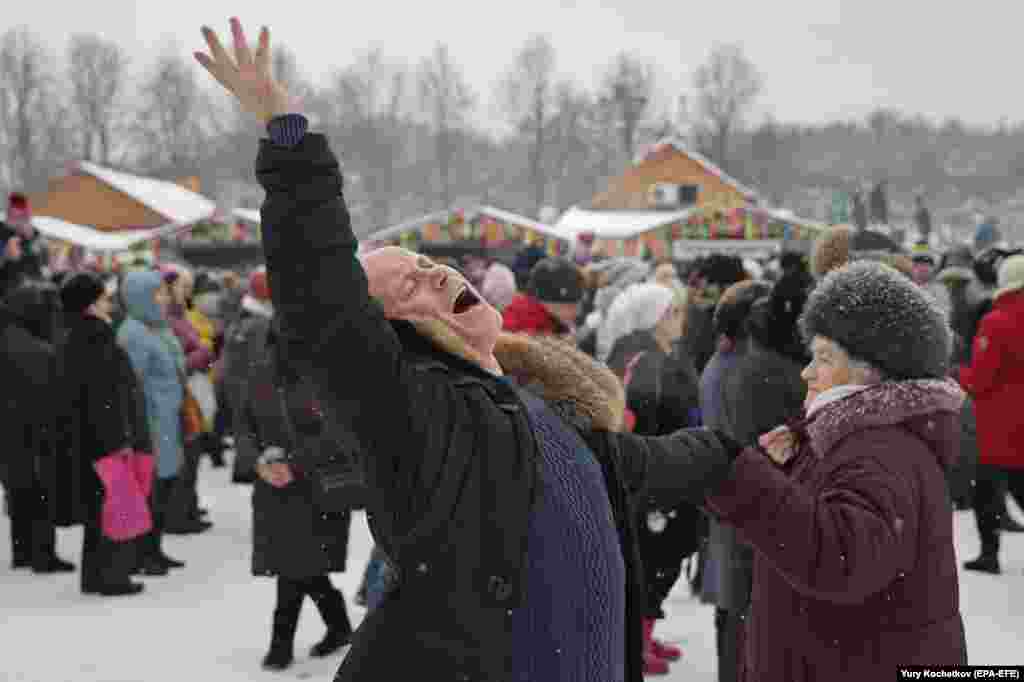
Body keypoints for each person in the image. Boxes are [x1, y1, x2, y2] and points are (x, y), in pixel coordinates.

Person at [194, 20, 739, 681]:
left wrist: (737, 453)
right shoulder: (414, 408)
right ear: (394, 330)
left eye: (428, 264)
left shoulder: (531, 404)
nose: (434, 274)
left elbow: (633, 463)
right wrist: (288, 137)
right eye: (409, 286)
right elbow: (322, 301)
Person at [705, 261, 967, 679]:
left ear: (872, 369)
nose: (807, 372)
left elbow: (842, 556)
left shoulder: (878, 449)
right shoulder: (849, 437)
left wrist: (741, 481)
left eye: (824, 358)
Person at [245, 317, 354, 670]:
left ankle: (282, 644)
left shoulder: (328, 374)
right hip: (274, 483)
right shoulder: (261, 372)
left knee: (296, 564)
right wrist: (258, 460)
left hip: (316, 483)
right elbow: (244, 424)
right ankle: (336, 626)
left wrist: (295, 463)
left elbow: (338, 435)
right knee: (297, 563)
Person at [604, 282, 699, 676]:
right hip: (652, 475)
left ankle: (644, 634)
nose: (679, 318)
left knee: (657, 559)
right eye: (672, 312)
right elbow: (644, 419)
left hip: (659, 471)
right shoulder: (644, 358)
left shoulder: (651, 353)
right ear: (654, 318)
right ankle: (636, 641)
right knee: (652, 560)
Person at [695, 279, 773, 682]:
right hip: (744, 504)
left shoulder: (720, 363)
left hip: (726, 503)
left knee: (733, 611)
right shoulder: (744, 369)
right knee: (742, 614)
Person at [58, 272, 153, 596]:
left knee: (97, 508)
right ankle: (113, 577)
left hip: (83, 437)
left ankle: (94, 575)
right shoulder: (98, 337)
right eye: (102, 298)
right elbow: (107, 396)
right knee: (114, 506)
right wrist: (120, 439)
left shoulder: (72, 335)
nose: (108, 303)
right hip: (106, 440)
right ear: (90, 303)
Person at [0, 281, 75, 574]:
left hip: (9, 428)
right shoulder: (37, 349)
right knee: (41, 489)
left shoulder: (9, 336)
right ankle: (43, 554)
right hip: (37, 428)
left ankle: (22, 551)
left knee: (18, 489)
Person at [117, 271, 188, 575]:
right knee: (151, 489)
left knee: (164, 486)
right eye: (157, 293)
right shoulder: (133, 333)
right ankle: (142, 554)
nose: (164, 297)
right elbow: (132, 384)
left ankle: (154, 549)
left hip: (167, 419)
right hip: (152, 423)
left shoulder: (156, 328)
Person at [958, 254, 1024, 574]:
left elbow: (983, 378)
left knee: (985, 488)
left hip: (999, 422)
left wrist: (962, 376)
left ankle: (989, 553)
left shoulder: (995, 322)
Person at [501, 256, 583, 337]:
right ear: (548, 303)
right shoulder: (525, 331)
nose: (577, 312)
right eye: (571, 306)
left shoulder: (554, 323)